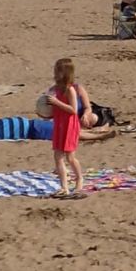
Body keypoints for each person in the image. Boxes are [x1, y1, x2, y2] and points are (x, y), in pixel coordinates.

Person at [45, 58, 90, 199]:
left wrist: (57, 102)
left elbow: (73, 110)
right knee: (57, 156)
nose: (55, 73)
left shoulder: (70, 89)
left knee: (70, 157)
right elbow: (51, 109)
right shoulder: (54, 89)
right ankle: (64, 187)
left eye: (58, 71)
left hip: (69, 125)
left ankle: (79, 180)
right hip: (59, 124)